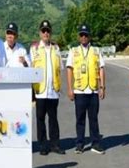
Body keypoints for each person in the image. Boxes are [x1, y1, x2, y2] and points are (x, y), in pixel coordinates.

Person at [66, 24, 106, 155]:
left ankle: (95, 143)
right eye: (81, 35)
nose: (84, 37)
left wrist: (102, 87)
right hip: (79, 90)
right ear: (79, 37)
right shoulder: (73, 51)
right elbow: (69, 69)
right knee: (80, 119)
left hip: (93, 90)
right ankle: (80, 144)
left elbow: (101, 68)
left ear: (89, 36)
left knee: (94, 118)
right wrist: (70, 89)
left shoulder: (96, 51)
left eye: (86, 34)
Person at [30, 20, 65, 155]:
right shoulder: (34, 49)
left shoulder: (56, 49)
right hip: (40, 90)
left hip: (53, 90)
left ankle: (55, 144)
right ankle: (43, 145)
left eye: (48, 31)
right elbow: (31, 69)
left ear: (50, 32)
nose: (46, 33)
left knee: (53, 118)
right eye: (43, 31)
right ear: (40, 33)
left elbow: (59, 68)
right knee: (40, 119)